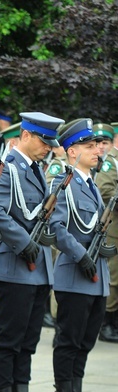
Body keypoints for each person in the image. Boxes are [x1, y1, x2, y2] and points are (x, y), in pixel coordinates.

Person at [0, 112, 65, 392]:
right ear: (28, 136)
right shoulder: (7, 169)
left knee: (28, 343)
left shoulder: (36, 171)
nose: (48, 148)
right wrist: (24, 244)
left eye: (51, 143)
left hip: (37, 271)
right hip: (14, 267)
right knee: (9, 341)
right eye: (44, 142)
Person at [50, 118, 110, 392]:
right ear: (72, 151)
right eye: (89, 147)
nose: (97, 151)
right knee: (69, 341)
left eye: (96, 146)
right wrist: (81, 256)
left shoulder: (91, 185)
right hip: (75, 274)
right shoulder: (64, 183)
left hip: (96, 277)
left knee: (86, 341)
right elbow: (57, 228)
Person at [94, 122, 118, 343]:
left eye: (105, 142)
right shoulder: (111, 163)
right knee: (113, 278)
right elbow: (106, 192)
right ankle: (107, 324)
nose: (101, 147)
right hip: (112, 231)